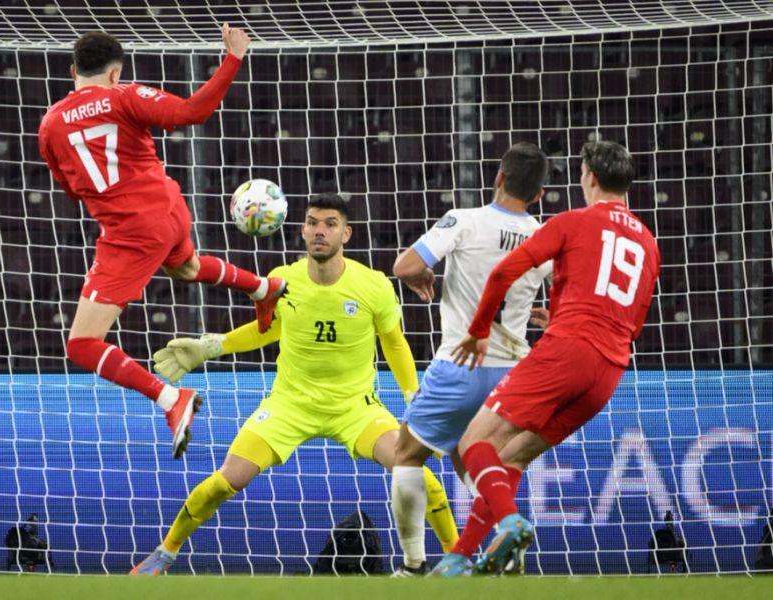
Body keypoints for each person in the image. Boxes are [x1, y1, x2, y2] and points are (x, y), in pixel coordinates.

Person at [130, 193, 459, 575]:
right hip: (290, 404)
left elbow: (394, 342)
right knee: (226, 482)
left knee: (417, 474)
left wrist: (412, 398)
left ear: (346, 233)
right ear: (302, 230)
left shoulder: (373, 286)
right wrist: (210, 347)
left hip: (355, 408)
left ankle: (459, 559)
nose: (320, 231)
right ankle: (165, 553)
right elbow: (268, 329)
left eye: (330, 224)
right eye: (313, 222)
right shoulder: (282, 282)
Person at [37, 27, 285, 459]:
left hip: (132, 233)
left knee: (81, 344)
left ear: (73, 70)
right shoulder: (125, 95)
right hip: (169, 207)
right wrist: (233, 58)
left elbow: (72, 190)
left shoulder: (49, 125)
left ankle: (172, 400)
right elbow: (193, 111)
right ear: (115, 72)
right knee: (186, 268)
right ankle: (264, 288)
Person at [447, 140, 661, 575]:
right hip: (608, 372)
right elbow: (632, 324)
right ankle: (456, 560)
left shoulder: (573, 221)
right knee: (513, 458)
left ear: (590, 178)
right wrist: (561, 314)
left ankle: (511, 524)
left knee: (473, 443)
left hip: (567, 352)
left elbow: (504, 272)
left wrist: (477, 331)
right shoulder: (649, 243)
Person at [390, 143, 552, 576]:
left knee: (406, 454)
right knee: (478, 467)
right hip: (514, 374)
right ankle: (506, 540)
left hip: (461, 363)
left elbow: (404, 266)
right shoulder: (545, 235)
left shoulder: (466, 220)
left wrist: (422, 272)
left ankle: (411, 566)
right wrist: (544, 314)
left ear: (499, 176)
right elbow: (569, 303)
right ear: (538, 196)